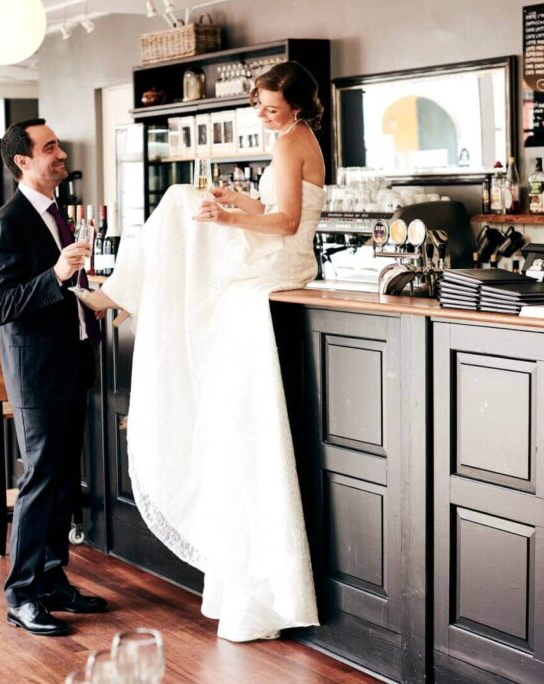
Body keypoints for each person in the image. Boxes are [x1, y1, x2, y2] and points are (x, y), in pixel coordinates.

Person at [77, 61, 324, 641]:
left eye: (269, 106)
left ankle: (115, 294)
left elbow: (286, 224)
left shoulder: (292, 142)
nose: (262, 115)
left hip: (280, 263)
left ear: (294, 106)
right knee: (183, 206)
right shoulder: (294, 139)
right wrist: (239, 201)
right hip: (284, 260)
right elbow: (278, 211)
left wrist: (230, 214)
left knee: (180, 207)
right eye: (257, 105)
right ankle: (120, 293)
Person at [0, 118, 109, 637]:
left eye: (58, 144)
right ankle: (22, 594)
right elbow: (0, 305)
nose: (61, 154)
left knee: (61, 480)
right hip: (36, 373)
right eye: (49, 147)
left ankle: (54, 580)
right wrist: (56, 275)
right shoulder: (7, 223)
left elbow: (59, 291)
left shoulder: (58, 213)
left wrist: (88, 302)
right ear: (23, 162)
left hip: (73, 360)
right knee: (39, 479)